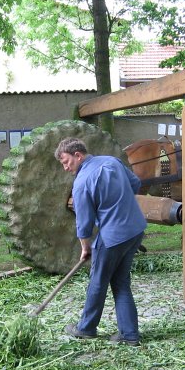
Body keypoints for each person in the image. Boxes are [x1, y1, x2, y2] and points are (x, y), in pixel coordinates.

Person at [54, 137, 147, 346]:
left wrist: (85, 247)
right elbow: (135, 184)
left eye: (66, 161)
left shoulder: (81, 181)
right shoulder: (112, 161)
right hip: (135, 230)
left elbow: (84, 223)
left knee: (98, 281)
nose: (66, 167)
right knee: (120, 281)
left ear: (78, 155)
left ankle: (86, 328)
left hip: (113, 237)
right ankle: (129, 334)